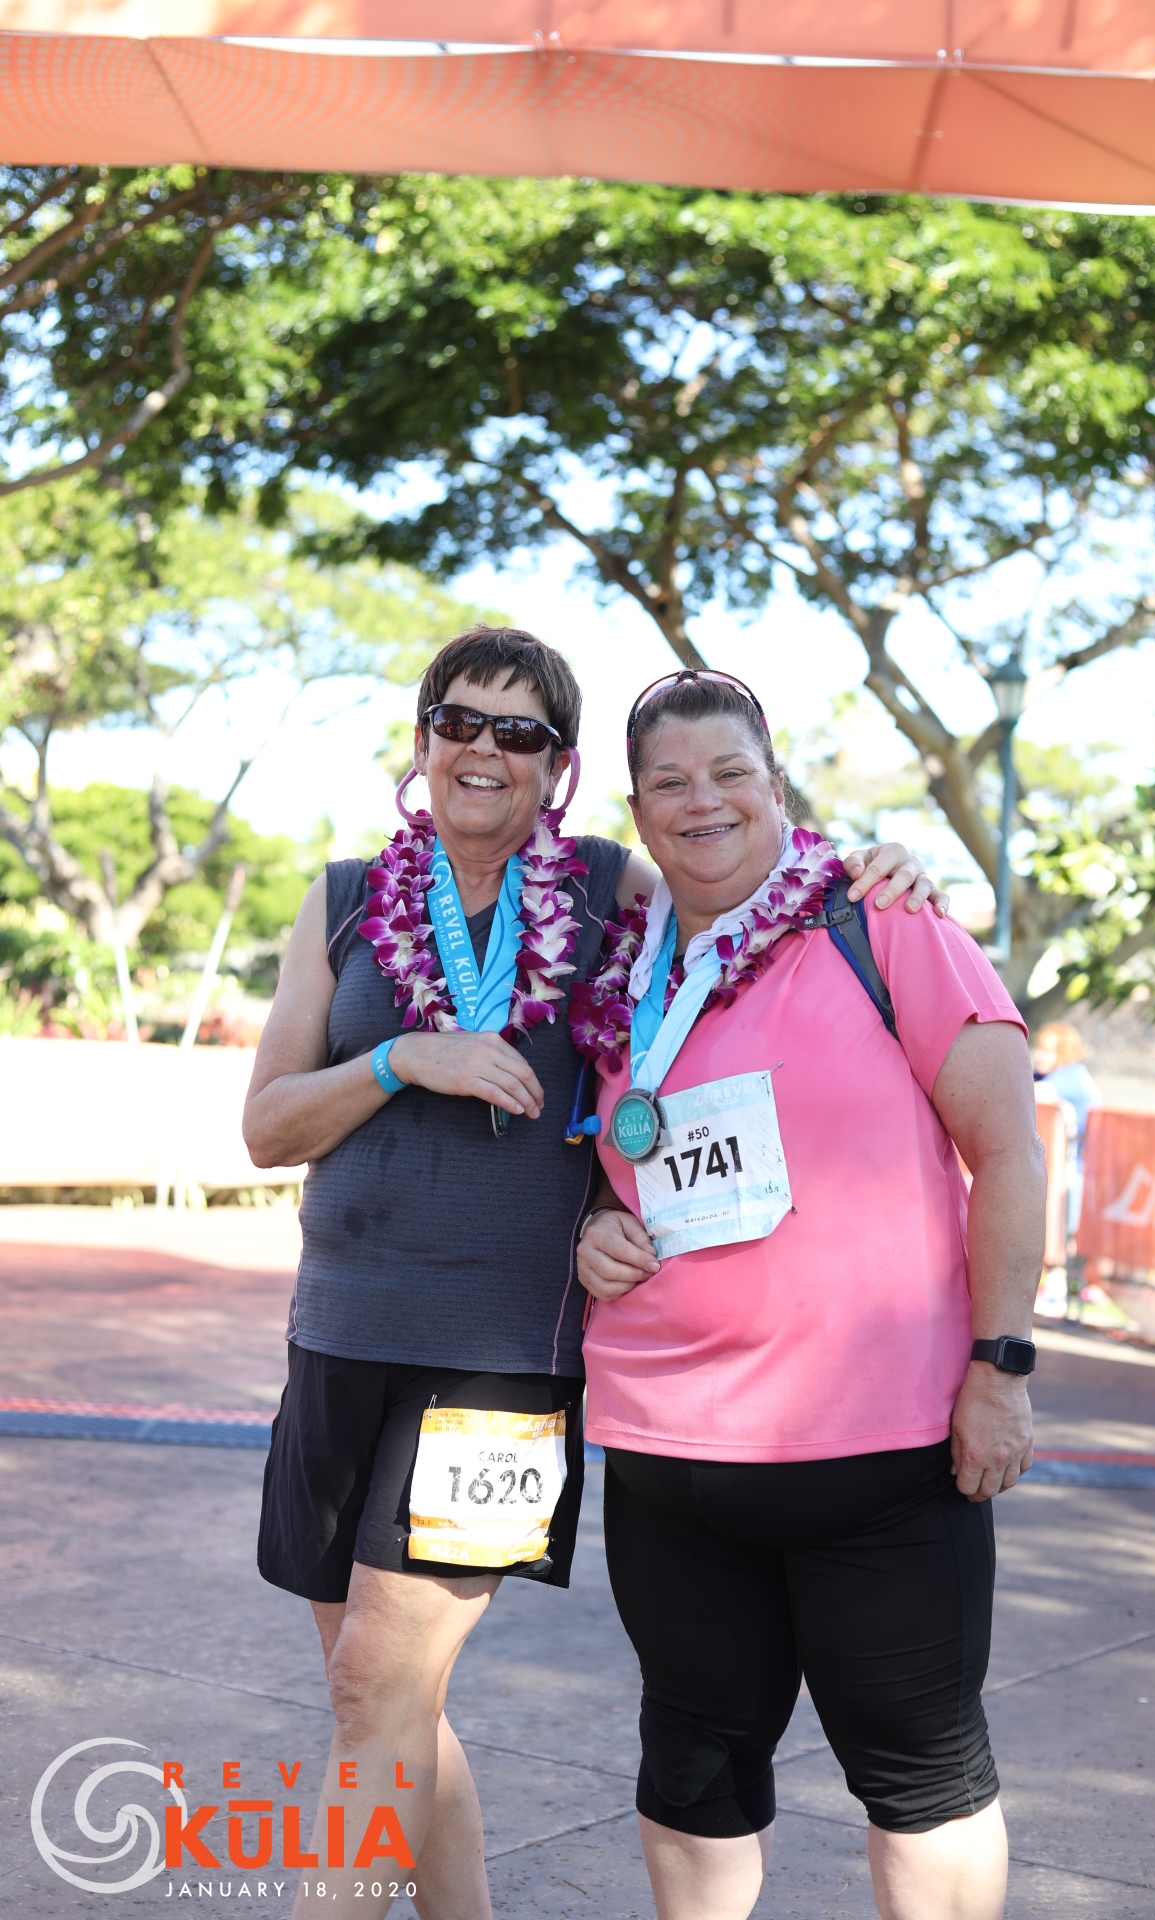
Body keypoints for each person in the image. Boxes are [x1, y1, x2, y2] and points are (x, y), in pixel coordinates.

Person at [242, 628, 946, 1920]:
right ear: (422, 739)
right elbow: (266, 1126)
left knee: (373, 1689)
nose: (485, 750)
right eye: (461, 721)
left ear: (558, 769)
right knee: (386, 1697)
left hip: (502, 1364)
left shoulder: (606, 884)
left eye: (520, 733)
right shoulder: (341, 899)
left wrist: (874, 864)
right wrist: (402, 1060)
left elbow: (742, 869)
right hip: (338, 1336)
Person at [572, 672, 1046, 1920]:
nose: (702, 800)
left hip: (880, 1462)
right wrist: (591, 1227)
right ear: (638, 812)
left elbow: (1007, 1153)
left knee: (921, 1779)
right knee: (690, 1761)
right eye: (669, 782)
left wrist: (999, 1368)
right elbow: (598, 1169)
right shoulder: (618, 974)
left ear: (775, 788)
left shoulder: (880, 925)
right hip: (670, 1460)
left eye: (729, 772)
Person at [1032, 1021, 1102, 1232]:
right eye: (1038, 1048)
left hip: (1075, 1173)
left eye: (1046, 1050)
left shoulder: (1071, 1075)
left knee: (1064, 1236)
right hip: (1058, 1170)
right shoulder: (1047, 1075)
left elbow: (1035, 1093)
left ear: (1063, 1052)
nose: (1038, 1055)